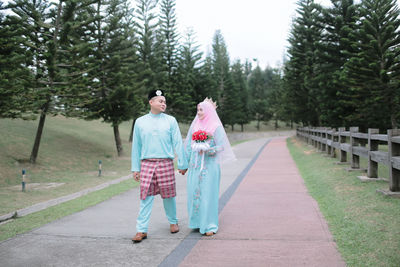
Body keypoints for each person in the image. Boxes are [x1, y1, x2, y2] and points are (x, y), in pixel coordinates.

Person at [131, 89, 187, 243]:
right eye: (160, 101)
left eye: (164, 101)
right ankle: (141, 230)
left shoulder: (171, 120)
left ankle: (173, 221)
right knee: (145, 197)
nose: (164, 104)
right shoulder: (140, 122)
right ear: (151, 102)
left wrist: (183, 163)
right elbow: (136, 146)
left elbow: (178, 143)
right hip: (147, 164)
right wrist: (136, 168)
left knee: (169, 196)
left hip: (165, 163)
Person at [184, 98, 235, 236]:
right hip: (195, 166)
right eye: (198, 110)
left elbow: (222, 146)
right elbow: (189, 144)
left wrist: (208, 149)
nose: (198, 112)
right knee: (194, 193)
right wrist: (185, 162)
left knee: (207, 195)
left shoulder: (215, 127)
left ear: (208, 111)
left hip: (210, 167)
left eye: (201, 110)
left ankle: (209, 225)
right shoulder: (195, 126)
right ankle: (196, 222)